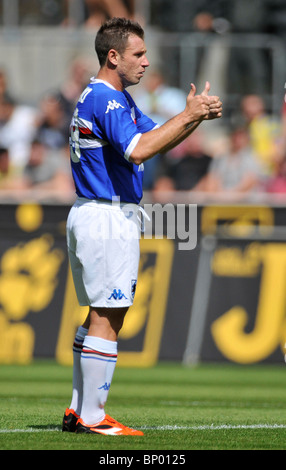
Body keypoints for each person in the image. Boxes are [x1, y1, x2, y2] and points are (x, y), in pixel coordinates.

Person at [62, 17, 222, 436]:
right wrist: (187, 115)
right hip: (108, 214)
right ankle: (93, 417)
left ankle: (78, 409)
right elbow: (139, 150)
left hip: (92, 210)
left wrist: (193, 118)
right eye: (138, 54)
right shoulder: (108, 100)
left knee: (98, 313)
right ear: (113, 56)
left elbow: (157, 137)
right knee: (109, 316)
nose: (147, 63)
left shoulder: (110, 97)